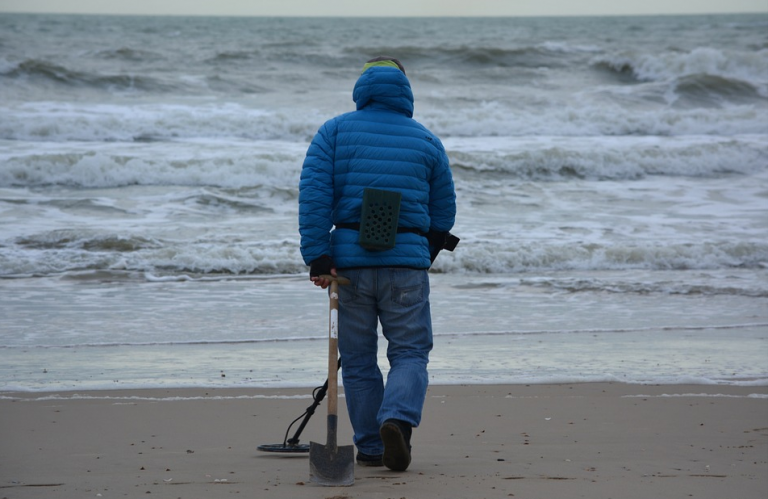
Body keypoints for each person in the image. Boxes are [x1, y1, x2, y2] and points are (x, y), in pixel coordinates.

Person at [298, 56, 456, 472]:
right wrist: (425, 252)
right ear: (405, 89)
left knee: (358, 357)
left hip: (348, 266)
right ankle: (397, 420)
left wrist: (318, 258)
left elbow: (314, 197)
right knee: (409, 352)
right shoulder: (426, 141)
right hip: (406, 264)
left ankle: (369, 446)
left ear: (362, 88)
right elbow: (444, 214)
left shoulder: (333, 133)